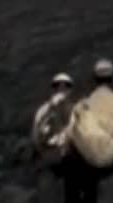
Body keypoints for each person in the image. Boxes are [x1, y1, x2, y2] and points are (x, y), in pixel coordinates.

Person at [62, 59, 113, 203]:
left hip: (84, 161)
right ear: (112, 79)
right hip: (108, 162)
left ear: (94, 79)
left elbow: (68, 138)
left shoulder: (82, 105)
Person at [31, 73, 75, 202]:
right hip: (68, 156)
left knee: (47, 197)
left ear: (53, 89)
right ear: (70, 89)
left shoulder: (43, 109)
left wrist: (39, 154)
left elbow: (35, 137)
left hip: (47, 156)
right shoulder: (75, 108)